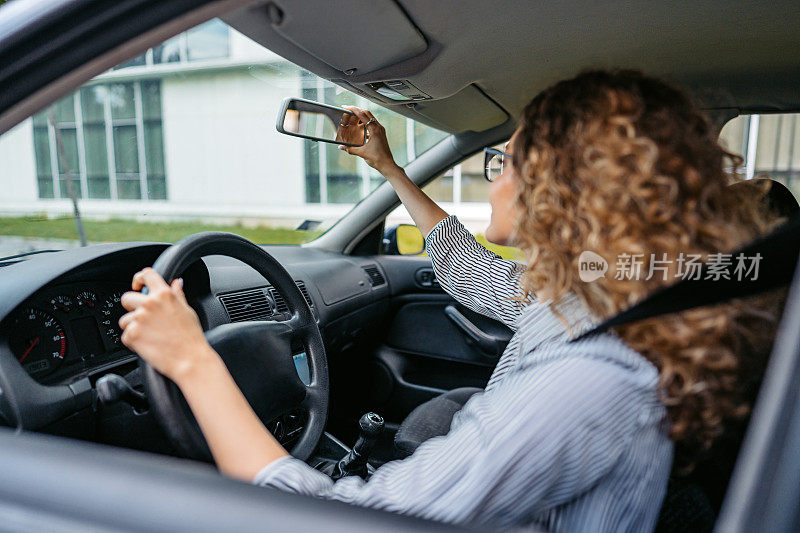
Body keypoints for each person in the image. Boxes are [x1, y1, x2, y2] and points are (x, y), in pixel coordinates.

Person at [118, 70, 784, 531]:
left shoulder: (593, 379)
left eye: (506, 162)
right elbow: (470, 270)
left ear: (559, 189)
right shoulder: (595, 298)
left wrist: (194, 362)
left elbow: (338, 522)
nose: (494, 183)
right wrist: (387, 167)